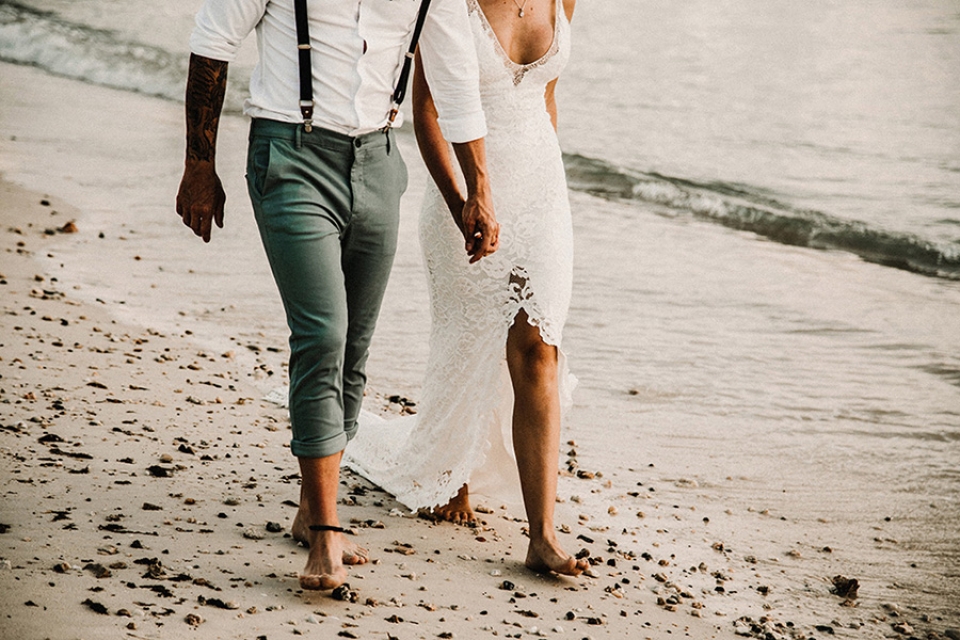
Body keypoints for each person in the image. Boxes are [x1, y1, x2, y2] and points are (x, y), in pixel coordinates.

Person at [175, 0, 500, 591]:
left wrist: (478, 187)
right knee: (322, 333)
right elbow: (212, 43)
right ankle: (326, 528)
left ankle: (309, 504)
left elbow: (455, 80)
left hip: (378, 161)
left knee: (353, 350)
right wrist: (199, 164)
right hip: (289, 156)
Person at [346, 0, 586, 576]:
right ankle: (449, 470)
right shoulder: (448, 3)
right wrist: (461, 203)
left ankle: (542, 535)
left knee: (539, 347)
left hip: (542, 189)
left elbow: (547, 98)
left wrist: (549, 190)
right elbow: (425, 111)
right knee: (464, 342)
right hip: (463, 193)